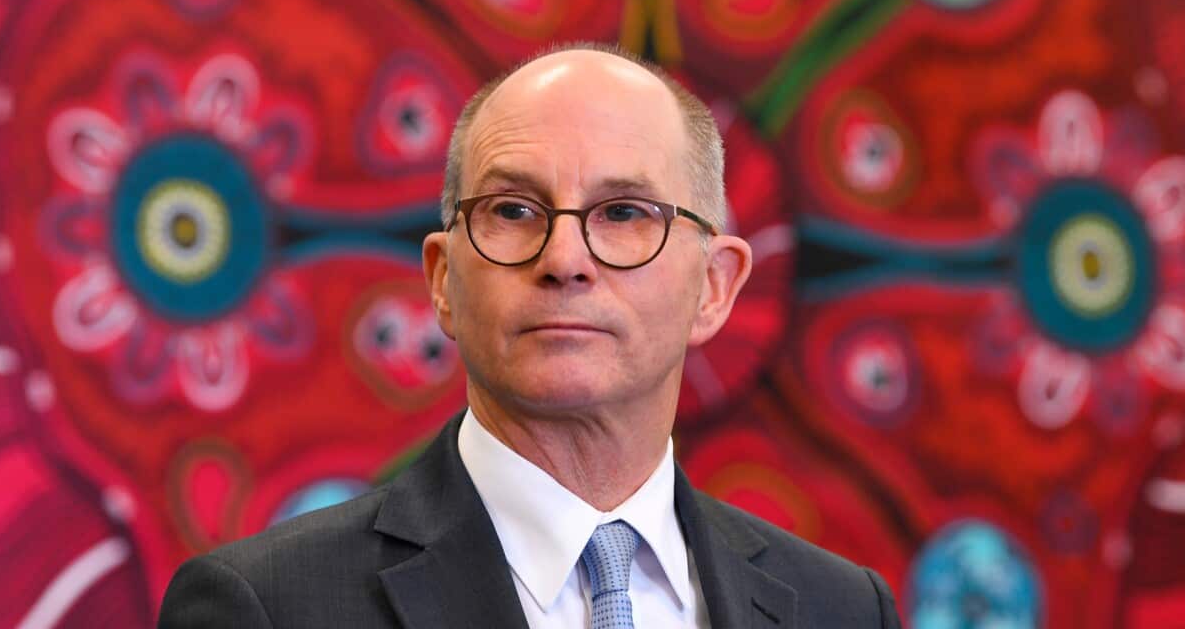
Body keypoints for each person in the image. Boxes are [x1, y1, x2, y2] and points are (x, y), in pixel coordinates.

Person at [158, 43, 901, 628]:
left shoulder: (842, 609)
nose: (565, 259)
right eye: (513, 212)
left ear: (714, 287)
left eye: (624, 213)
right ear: (444, 279)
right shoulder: (266, 608)